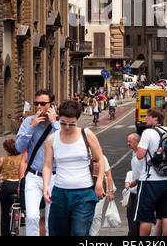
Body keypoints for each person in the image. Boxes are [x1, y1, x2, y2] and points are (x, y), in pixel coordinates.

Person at [43, 100, 105, 236]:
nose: (66, 127)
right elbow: (47, 166)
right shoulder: (52, 139)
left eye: (71, 124)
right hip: (60, 193)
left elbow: (100, 159)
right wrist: (46, 186)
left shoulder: (87, 135)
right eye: (63, 123)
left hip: (84, 194)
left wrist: (99, 182)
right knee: (58, 233)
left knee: (79, 232)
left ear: (77, 120)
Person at [15, 89, 59, 236]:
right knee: (32, 216)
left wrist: (54, 123)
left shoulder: (59, 123)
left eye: (43, 103)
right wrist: (31, 126)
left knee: (50, 219)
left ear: (51, 105)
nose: (39, 106)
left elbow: (65, 146)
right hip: (33, 176)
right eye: (37, 103)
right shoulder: (28, 122)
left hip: (54, 177)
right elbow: (19, 147)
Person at [134, 107, 167, 236]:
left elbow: (140, 155)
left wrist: (141, 148)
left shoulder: (148, 132)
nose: (145, 118)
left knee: (145, 216)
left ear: (155, 118)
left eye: (148, 116)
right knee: (166, 215)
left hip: (149, 180)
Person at [0, 139, 22, 236]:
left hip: (7, 186)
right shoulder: (22, 159)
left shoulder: (3, 159)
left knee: (5, 214)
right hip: (18, 185)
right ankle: (22, 214)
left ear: (7, 150)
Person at [90, 155, 115, 236]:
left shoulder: (102, 158)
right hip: (85, 188)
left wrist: (110, 191)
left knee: (96, 215)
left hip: (100, 188)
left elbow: (109, 175)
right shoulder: (82, 156)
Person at [125, 133, 144, 236]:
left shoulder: (142, 155)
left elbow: (145, 173)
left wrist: (135, 182)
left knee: (137, 216)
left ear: (137, 142)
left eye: (130, 142)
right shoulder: (133, 153)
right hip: (133, 190)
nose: (128, 143)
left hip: (140, 190)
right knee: (131, 214)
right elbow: (133, 171)